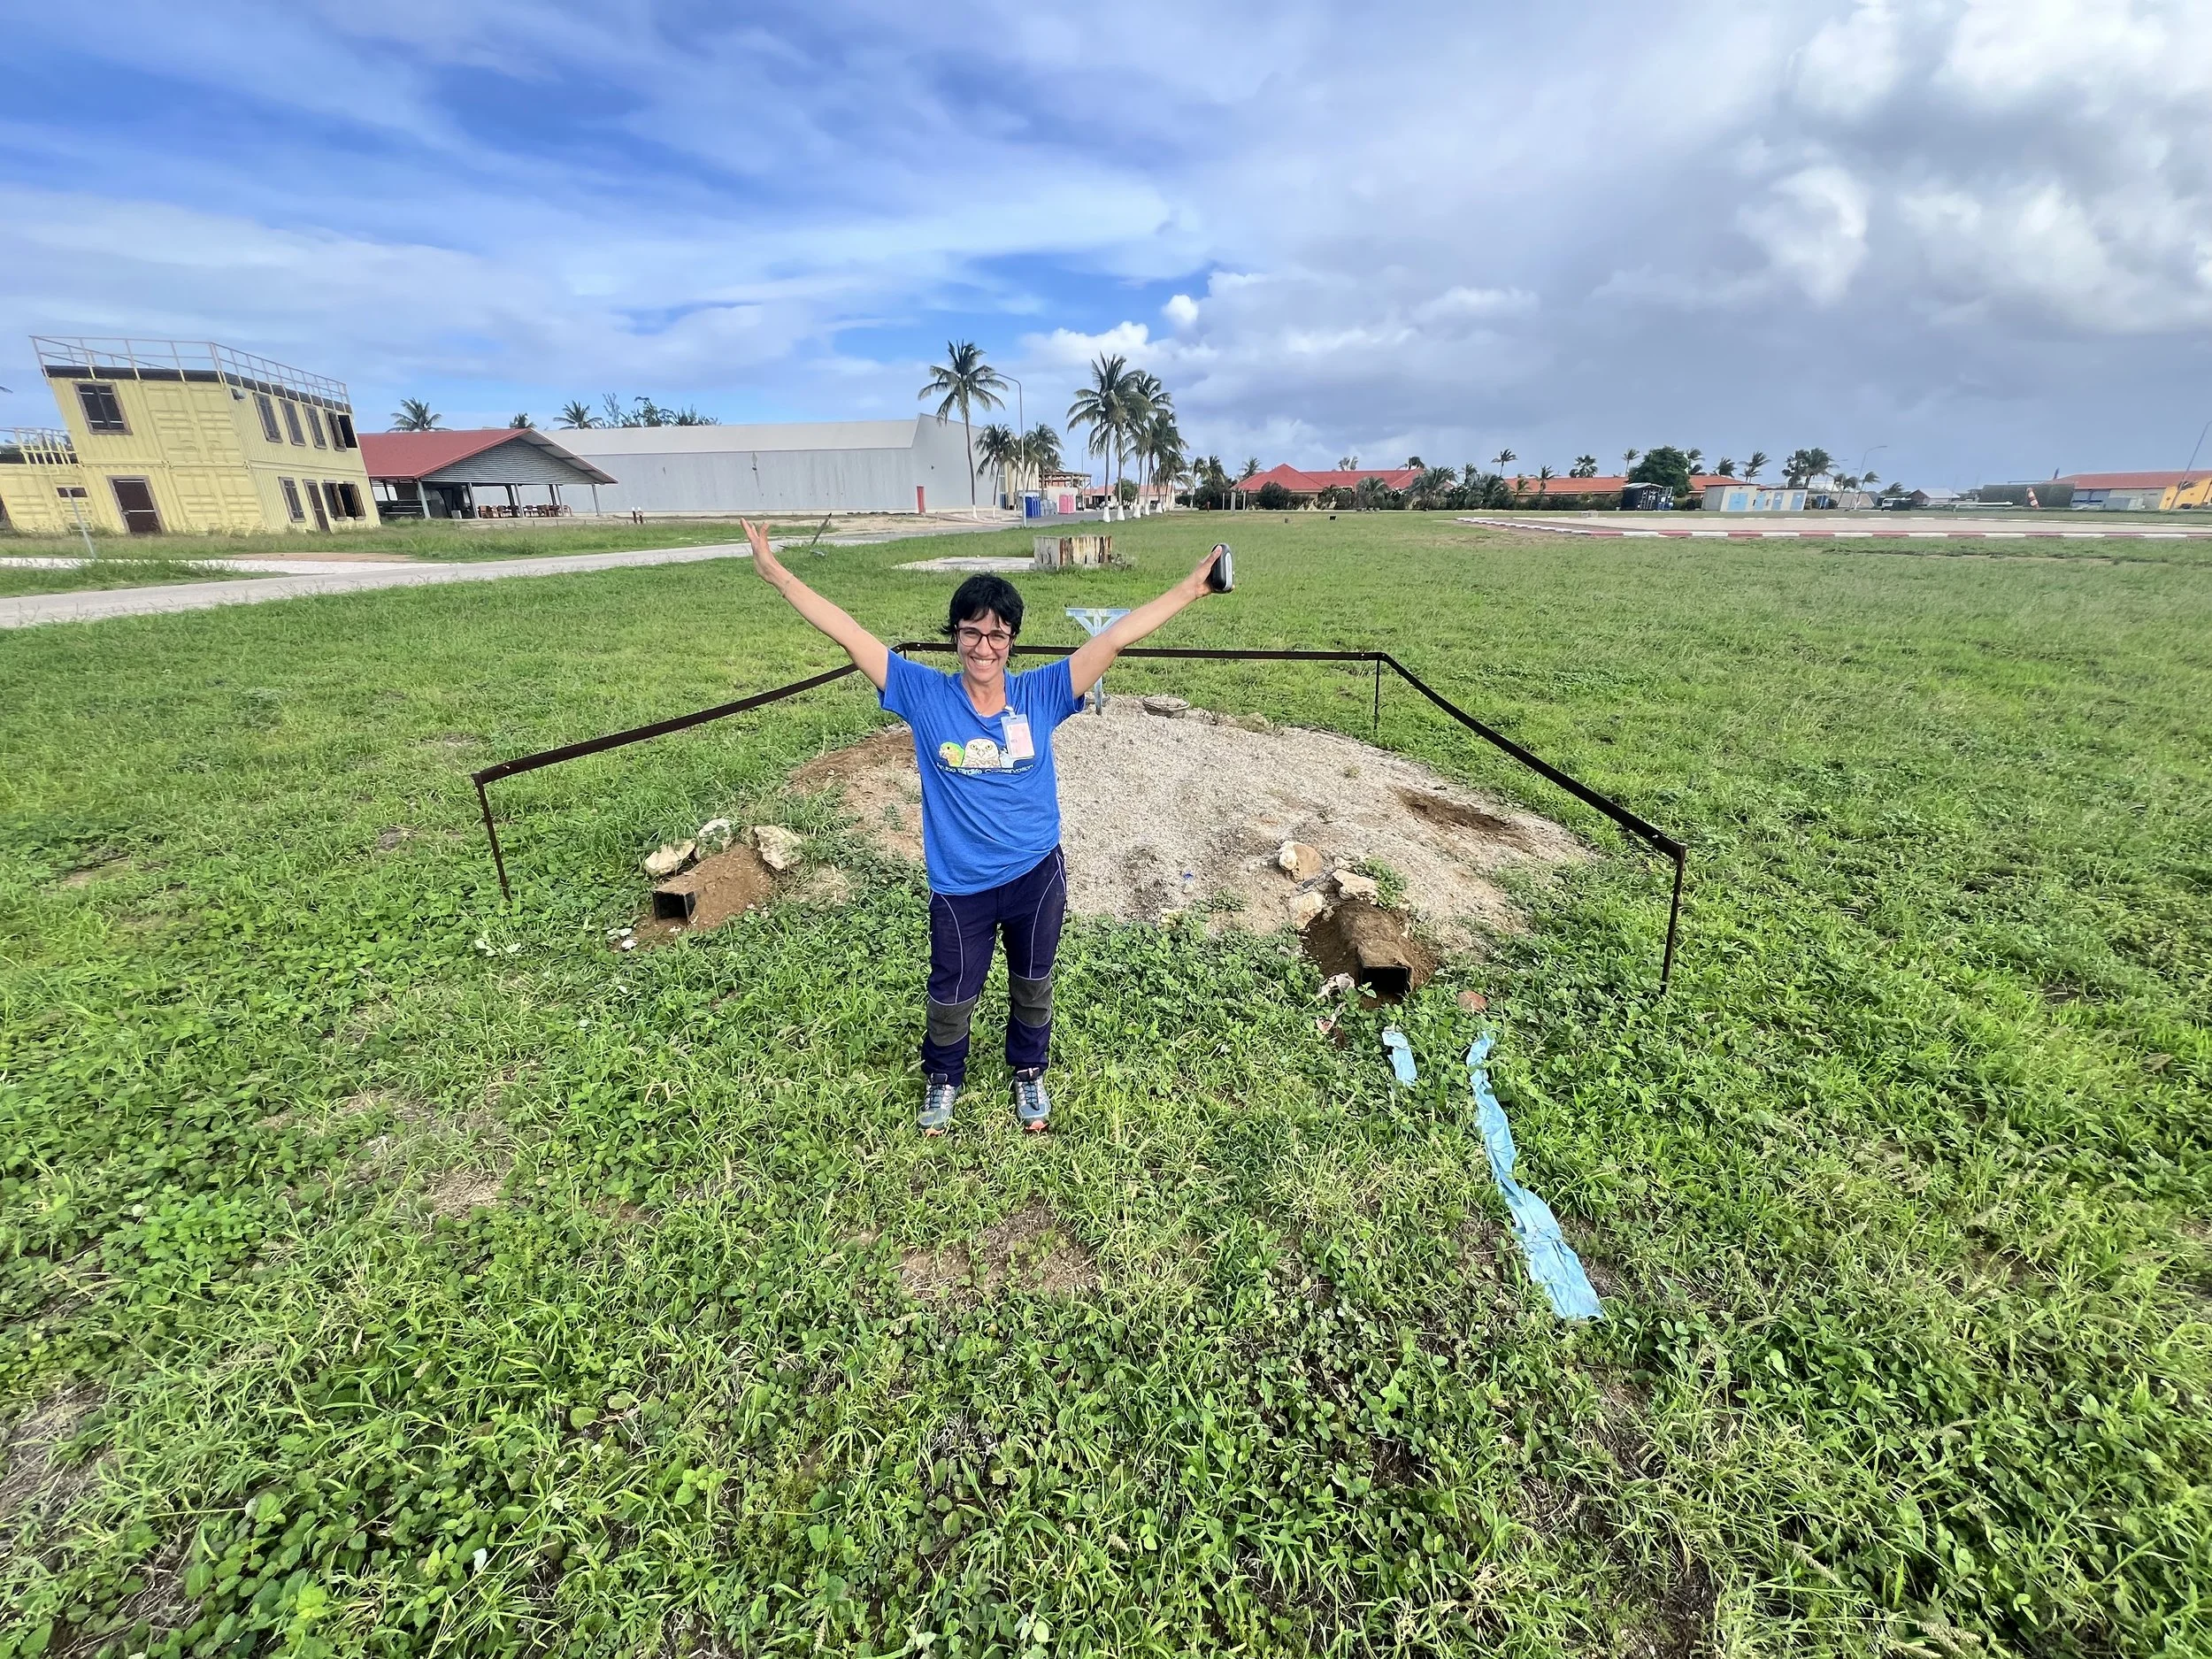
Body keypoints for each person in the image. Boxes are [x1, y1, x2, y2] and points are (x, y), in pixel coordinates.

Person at [741, 518, 1225, 1134]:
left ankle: (1029, 1070)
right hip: (960, 884)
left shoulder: (1044, 692)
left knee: (1033, 981)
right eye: (972, 632)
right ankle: (944, 1076)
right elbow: (850, 633)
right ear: (956, 636)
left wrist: (1192, 588)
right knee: (952, 990)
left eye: (997, 634)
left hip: (1036, 875)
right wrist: (778, 573)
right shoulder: (923, 693)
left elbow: (1115, 639)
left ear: (1012, 640)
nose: (983, 646)